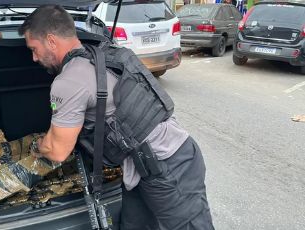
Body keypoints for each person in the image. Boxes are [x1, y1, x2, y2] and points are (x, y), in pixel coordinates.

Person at [19, 5, 214, 230]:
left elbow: (57, 151)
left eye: (34, 48)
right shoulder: (103, 54)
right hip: (143, 168)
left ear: (51, 41)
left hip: (171, 168)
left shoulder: (69, 81)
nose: (34, 58)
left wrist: (38, 145)